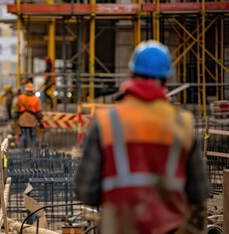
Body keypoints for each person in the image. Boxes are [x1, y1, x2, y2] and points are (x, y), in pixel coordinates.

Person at [74, 40, 208, 234]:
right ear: (166, 79)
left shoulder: (107, 122)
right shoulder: (182, 124)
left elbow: (86, 191)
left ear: (131, 74)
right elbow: (199, 192)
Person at [15, 83, 43, 148]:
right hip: (32, 120)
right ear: (32, 90)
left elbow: (16, 109)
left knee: (23, 135)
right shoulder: (36, 99)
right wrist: (40, 120)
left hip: (23, 120)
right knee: (32, 135)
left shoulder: (20, 98)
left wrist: (15, 119)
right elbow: (38, 112)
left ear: (26, 90)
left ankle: (22, 149)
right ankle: (32, 149)